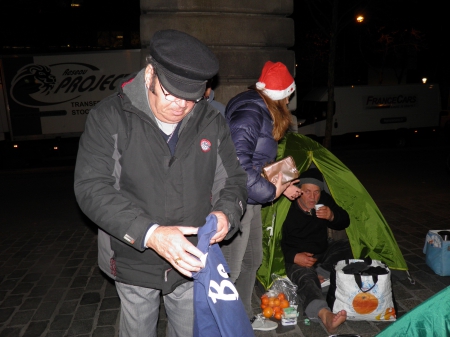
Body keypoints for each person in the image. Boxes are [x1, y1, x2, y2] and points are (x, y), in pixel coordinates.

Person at [74, 29, 248, 337]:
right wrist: (151, 234)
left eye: (192, 97)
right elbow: (91, 188)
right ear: (151, 73)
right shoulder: (109, 117)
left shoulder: (211, 121)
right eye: (171, 93)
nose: (181, 106)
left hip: (191, 258)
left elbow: (233, 180)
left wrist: (226, 214)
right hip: (133, 257)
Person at [220, 61, 302, 330]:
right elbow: (239, 164)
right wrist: (270, 191)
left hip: (251, 199)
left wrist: (284, 183)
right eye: (288, 94)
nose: (290, 99)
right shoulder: (250, 112)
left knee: (252, 260)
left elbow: (258, 160)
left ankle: (242, 315)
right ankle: (222, 323)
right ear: (280, 94)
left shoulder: (262, 108)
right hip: (236, 199)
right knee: (231, 268)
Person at [280, 167, 352, 333]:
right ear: (298, 191)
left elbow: (345, 220)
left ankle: (320, 273)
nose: (313, 197)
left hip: (321, 254)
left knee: (346, 247)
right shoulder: (286, 205)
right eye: (307, 192)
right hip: (297, 257)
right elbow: (272, 239)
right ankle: (325, 315)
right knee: (305, 276)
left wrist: (332, 216)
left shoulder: (323, 200)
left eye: (316, 192)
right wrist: (293, 256)